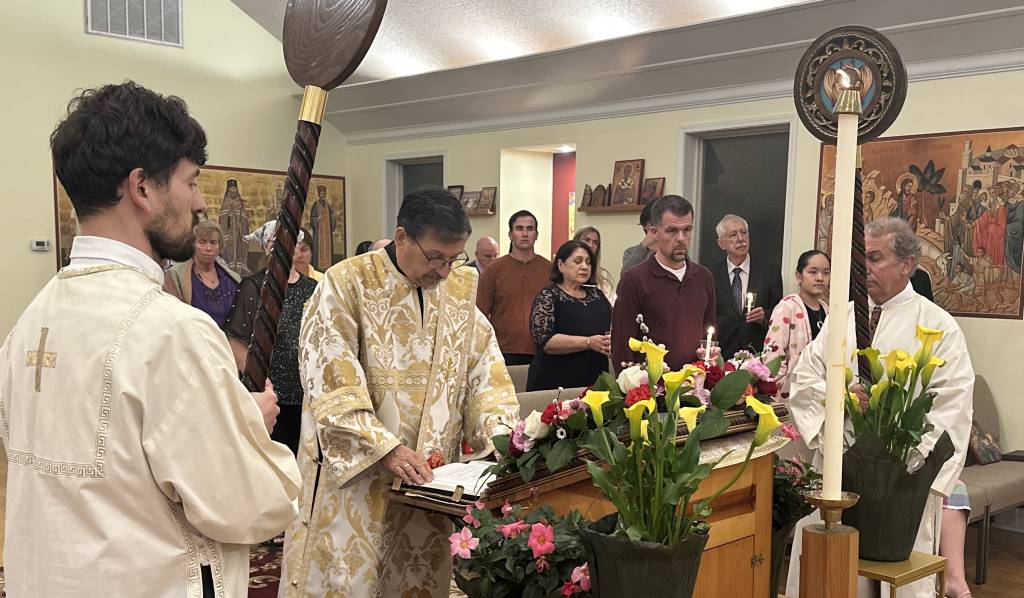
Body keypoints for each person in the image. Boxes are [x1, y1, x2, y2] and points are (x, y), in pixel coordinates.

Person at [0, 81, 300, 597]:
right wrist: (252, 423)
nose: (201, 202)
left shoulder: (31, 319)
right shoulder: (171, 330)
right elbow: (246, 505)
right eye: (190, 182)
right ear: (143, 188)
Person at [279, 187, 519, 597]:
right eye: (435, 258)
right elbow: (330, 379)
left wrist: (500, 434)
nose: (444, 271)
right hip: (359, 483)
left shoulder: (459, 289)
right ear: (403, 236)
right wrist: (385, 448)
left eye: (453, 258)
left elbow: (485, 370)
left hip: (430, 485)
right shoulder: (346, 283)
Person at [785, 218, 974, 598]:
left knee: (895, 578)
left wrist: (906, 467)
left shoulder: (938, 325)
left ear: (906, 264)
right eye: (859, 258)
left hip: (902, 479)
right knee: (833, 575)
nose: (863, 268)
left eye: (874, 258)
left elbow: (951, 402)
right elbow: (804, 380)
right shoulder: (841, 318)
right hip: (841, 470)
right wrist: (838, 398)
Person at [224, 226, 318, 456]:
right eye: (274, 245)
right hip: (273, 396)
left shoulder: (313, 288)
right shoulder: (254, 286)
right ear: (266, 249)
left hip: (307, 394)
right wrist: (261, 381)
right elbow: (235, 339)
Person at [612, 195, 716, 373]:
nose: (681, 238)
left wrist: (709, 355)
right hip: (651, 391)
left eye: (687, 230)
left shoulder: (703, 277)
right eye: (672, 231)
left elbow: (709, 334)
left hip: (695, 386)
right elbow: (622, 348)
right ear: (653, 232)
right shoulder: (634, 280)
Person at [527, 241, 612, 391]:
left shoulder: (597, 295)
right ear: (561, 265)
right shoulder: (549, 296)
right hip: (555, 380)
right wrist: (588, 342)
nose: (584, 267)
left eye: (588, 262)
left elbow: (613, 325)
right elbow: (545, 341)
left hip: (595, 378)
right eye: (577, 261)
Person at [477, 210, 552, 365]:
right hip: (502, 350)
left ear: (536, 235)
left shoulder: (549, 270)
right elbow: (481, 313)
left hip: (542, 350)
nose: (525, 234)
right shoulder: (494, 269)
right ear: (510, 235)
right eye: (519, 229)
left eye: (530, 229)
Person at [708, 214, 782, 358]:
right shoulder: (711, 274)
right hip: (723, 352)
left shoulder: (769, 270)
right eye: (733, 235)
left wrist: (764, 317)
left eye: (744, 233)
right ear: (721, 243)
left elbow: (779, 309)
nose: (741, 239)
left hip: (758, 352)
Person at [763, 250, 830, 401]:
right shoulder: (786, 307)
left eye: (826, 273)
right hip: (790, 393)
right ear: (799, 276)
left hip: (821, 392)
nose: (820, 278)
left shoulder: (827, 310)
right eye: (813, 272)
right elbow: (772, 354)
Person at [163, 220, 242, 327]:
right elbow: (171, 317)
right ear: (192, 245)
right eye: (202, 242)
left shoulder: (233, 279)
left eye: (213, 242)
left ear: (220, 246)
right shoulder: (176, 276)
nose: (208, 248)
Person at [573, 225, 616, 303]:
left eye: (595, 243)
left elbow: (611, 305)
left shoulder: (603, 275)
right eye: (586, 240)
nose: (590, 245)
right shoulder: (567, 273)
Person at [620, 201, 657, 276]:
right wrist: (643, 245)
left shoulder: (672, 251)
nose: (658, 227)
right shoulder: (630, 252)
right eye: (654, 222)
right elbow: (626, 275)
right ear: (644, 225)